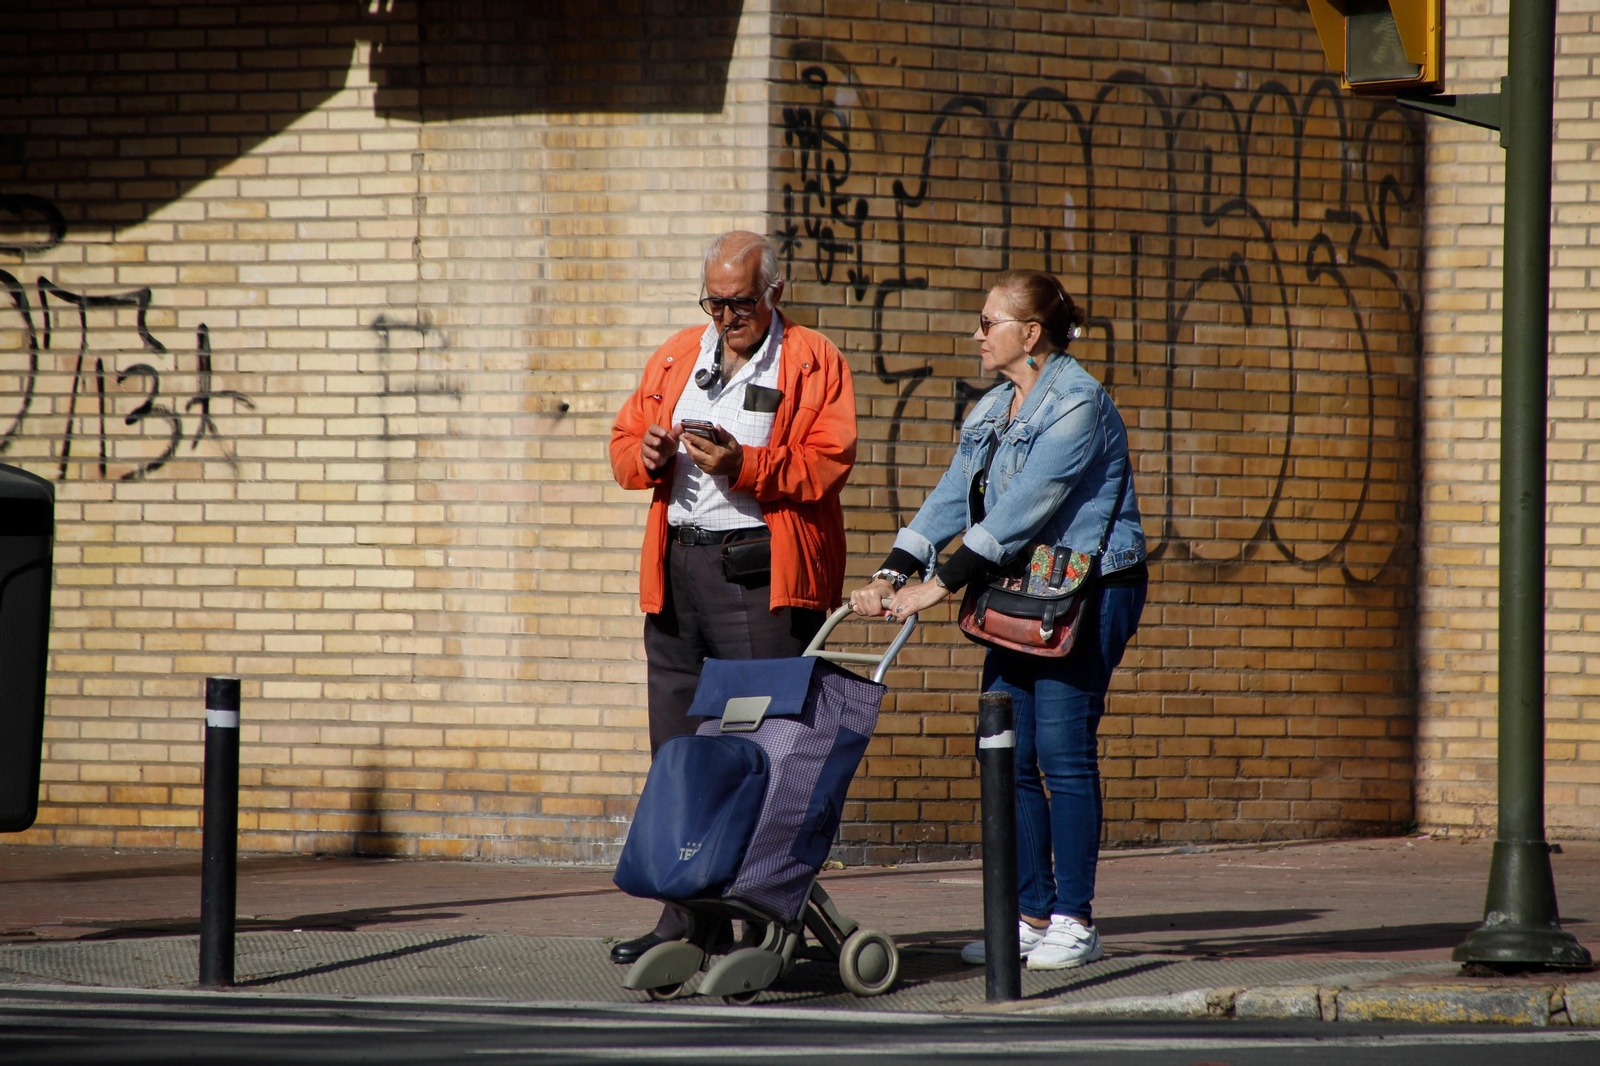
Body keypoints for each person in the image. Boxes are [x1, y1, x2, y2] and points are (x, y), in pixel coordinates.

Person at [848, 270, 1146, 971]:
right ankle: (1030, 915)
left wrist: (940, 585)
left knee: (1062, 752)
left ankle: (1075, 919)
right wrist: (895, 569)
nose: (975, 334)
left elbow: (1023, 512)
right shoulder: (992, 409)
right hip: (1021, 593)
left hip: (1088, 589)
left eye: (988, 323)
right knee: (1006, 751)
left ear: (1029, 334)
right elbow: (954, 495)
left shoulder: (1079, 404)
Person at [608, 231, 858, 964]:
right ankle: (687, 918)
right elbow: (623, 440)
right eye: (713, 303)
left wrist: (745, 463)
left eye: (739, 303)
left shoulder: (813, 360)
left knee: (759, 750)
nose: (725, 318)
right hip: (680, 574)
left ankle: (759, 912)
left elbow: (827, 463)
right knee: (679, 751)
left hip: (759, 578)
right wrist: (645, 456)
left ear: (773, 294)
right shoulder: (679, 354)